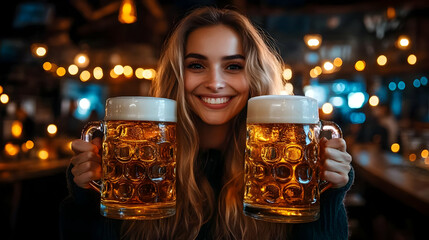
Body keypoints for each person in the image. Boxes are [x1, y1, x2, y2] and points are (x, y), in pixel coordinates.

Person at [60, 6, 353, 240]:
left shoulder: (286, 167)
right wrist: (88, 198)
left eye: (233, 66)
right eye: (197, 65)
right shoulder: (142, 164)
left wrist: (327, 195)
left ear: (255, 75)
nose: (215, 83)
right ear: (177, 75)